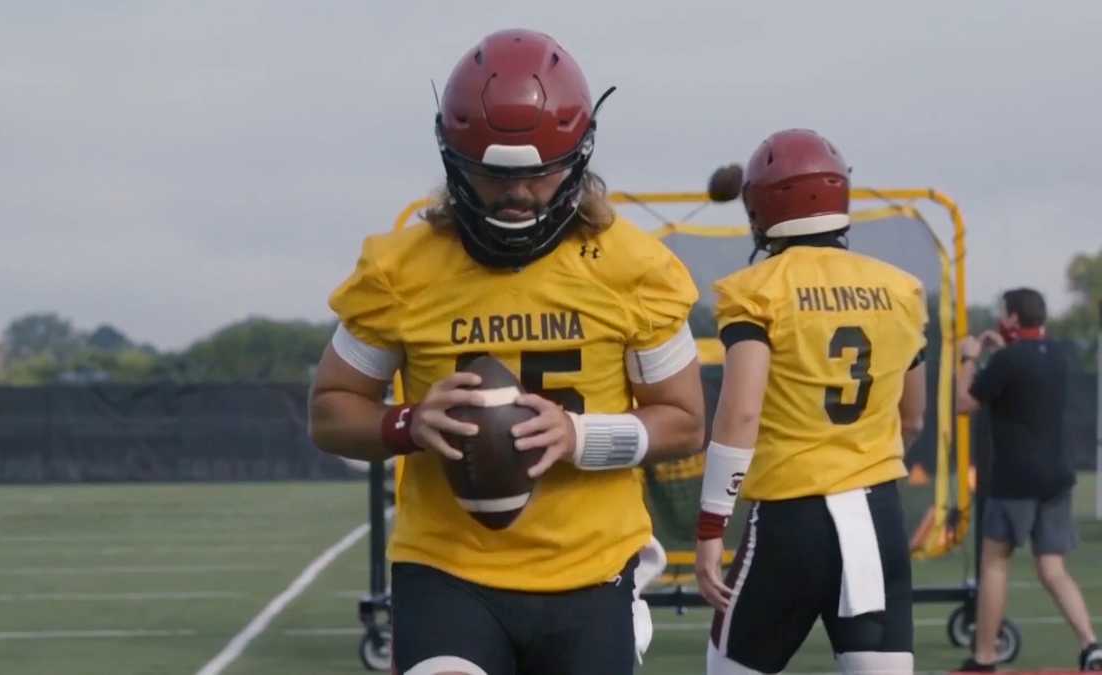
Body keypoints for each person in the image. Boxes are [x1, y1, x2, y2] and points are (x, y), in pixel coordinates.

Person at [307, 29, 708, 675]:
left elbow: (685, 421)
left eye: (538, 172)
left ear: (577, 160)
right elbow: (329, 411)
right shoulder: (402, 269)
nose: (516, 192)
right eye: (493, 175)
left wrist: (579, 434)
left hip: (591, 569)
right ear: (454, 162)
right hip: (447, 568)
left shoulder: (634, 268)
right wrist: (408, 422)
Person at [693, 129, 928, 675]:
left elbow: (742, 412)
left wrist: (710, 526)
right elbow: (911, 417)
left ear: (761, 208)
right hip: (876, 516)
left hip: (790, 518)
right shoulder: (902, 290)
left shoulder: (756, 289)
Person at [955, 288, 1102, 672]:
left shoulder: (1006, 360)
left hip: (1016, 480)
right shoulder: (1056, 355)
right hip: (1056, 479)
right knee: (1053, 568)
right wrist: (1001, 350)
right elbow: (1023, 372)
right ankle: (1091, 647)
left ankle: (984, 659)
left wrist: (970, 357)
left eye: (1005, 312)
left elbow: (964, 403)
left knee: (994, 564)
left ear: (1015, 318)